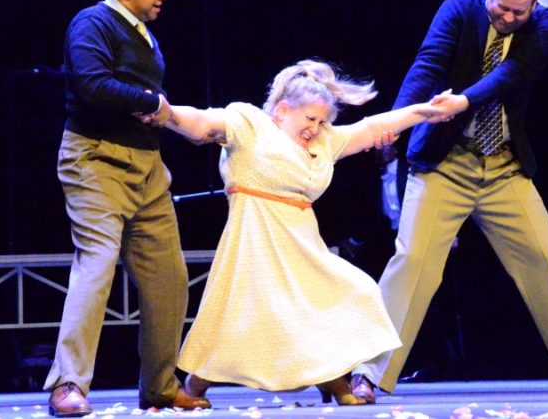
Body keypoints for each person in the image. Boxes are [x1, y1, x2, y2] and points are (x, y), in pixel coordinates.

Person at [350, 0, 548, 403]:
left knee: (547, 260)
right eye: (503, 7)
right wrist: (393, 123)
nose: (509, 17)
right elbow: (428, 64)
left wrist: (463, 100)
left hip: (503, 166)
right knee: (413, 260)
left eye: (520, 11)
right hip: (446, 162)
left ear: (534, 4)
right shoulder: (461, 6)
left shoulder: (545, 26)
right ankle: (368, 373)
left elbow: (511, 73)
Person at [142, 59, 446, 404]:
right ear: (283, 110)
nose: (316, 128)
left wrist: (424, 112)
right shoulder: (250, 125)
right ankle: (197, 383)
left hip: (302, 245)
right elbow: (201, 122)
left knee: (354, 293)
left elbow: (372, 126)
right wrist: (167, 113)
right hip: (255, 239)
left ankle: (331, 377)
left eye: (322, 121)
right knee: (241, 317)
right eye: (310, 118)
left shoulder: (324, 142)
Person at [45, 0, 210, 417]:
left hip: (148, 167)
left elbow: (144, 96)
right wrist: (151, 101)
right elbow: (92, 84)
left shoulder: (142, 33)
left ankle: (160, 387)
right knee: (97, 264)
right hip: (96, 160)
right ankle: (67, 384)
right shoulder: (93, 23)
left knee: (169, 278)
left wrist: (166, 114)